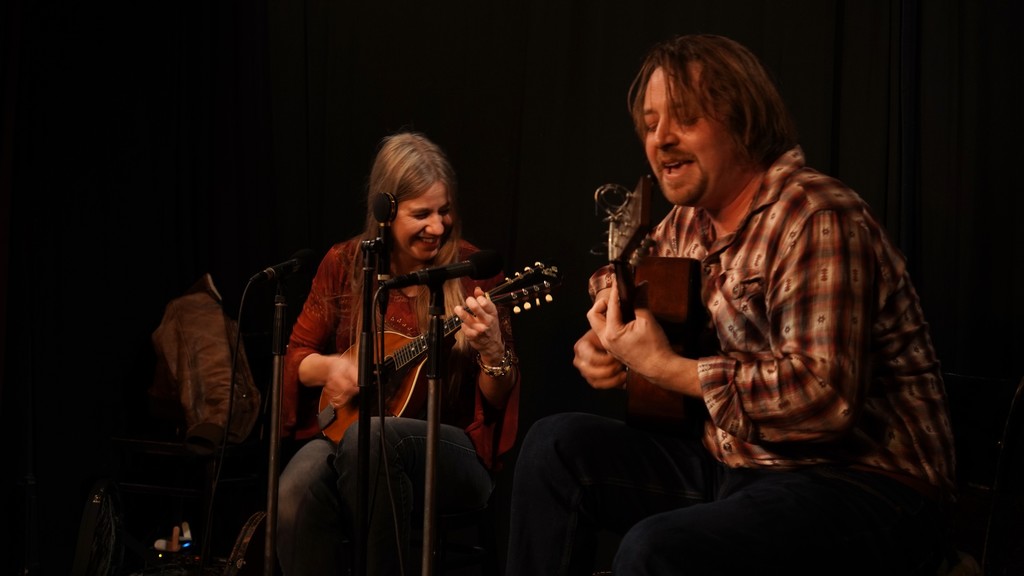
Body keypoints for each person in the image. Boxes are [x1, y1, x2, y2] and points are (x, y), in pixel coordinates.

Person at [505, 34, 956, 576]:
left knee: (656, 549)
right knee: (553, 446)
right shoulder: (688, 220)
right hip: (738, 467)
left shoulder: (817, 216)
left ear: (743, 121)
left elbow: (825, 398)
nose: (661, 139)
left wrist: (665, 367)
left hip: (862, 484)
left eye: (684, 119)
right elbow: (626, 273)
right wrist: (607, 328)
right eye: (650, 124)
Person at [275, 131, 520, 575]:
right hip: (352, 437)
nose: (438, 227)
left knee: (371, 438)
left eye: (444, 211)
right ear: (386, 212)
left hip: (451, 447)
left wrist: (491, 351)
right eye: (421, 214)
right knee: (297, 487)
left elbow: (497, 399)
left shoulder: (473, 272)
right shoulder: (346, 263)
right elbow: (296, 356)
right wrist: (333, 367)